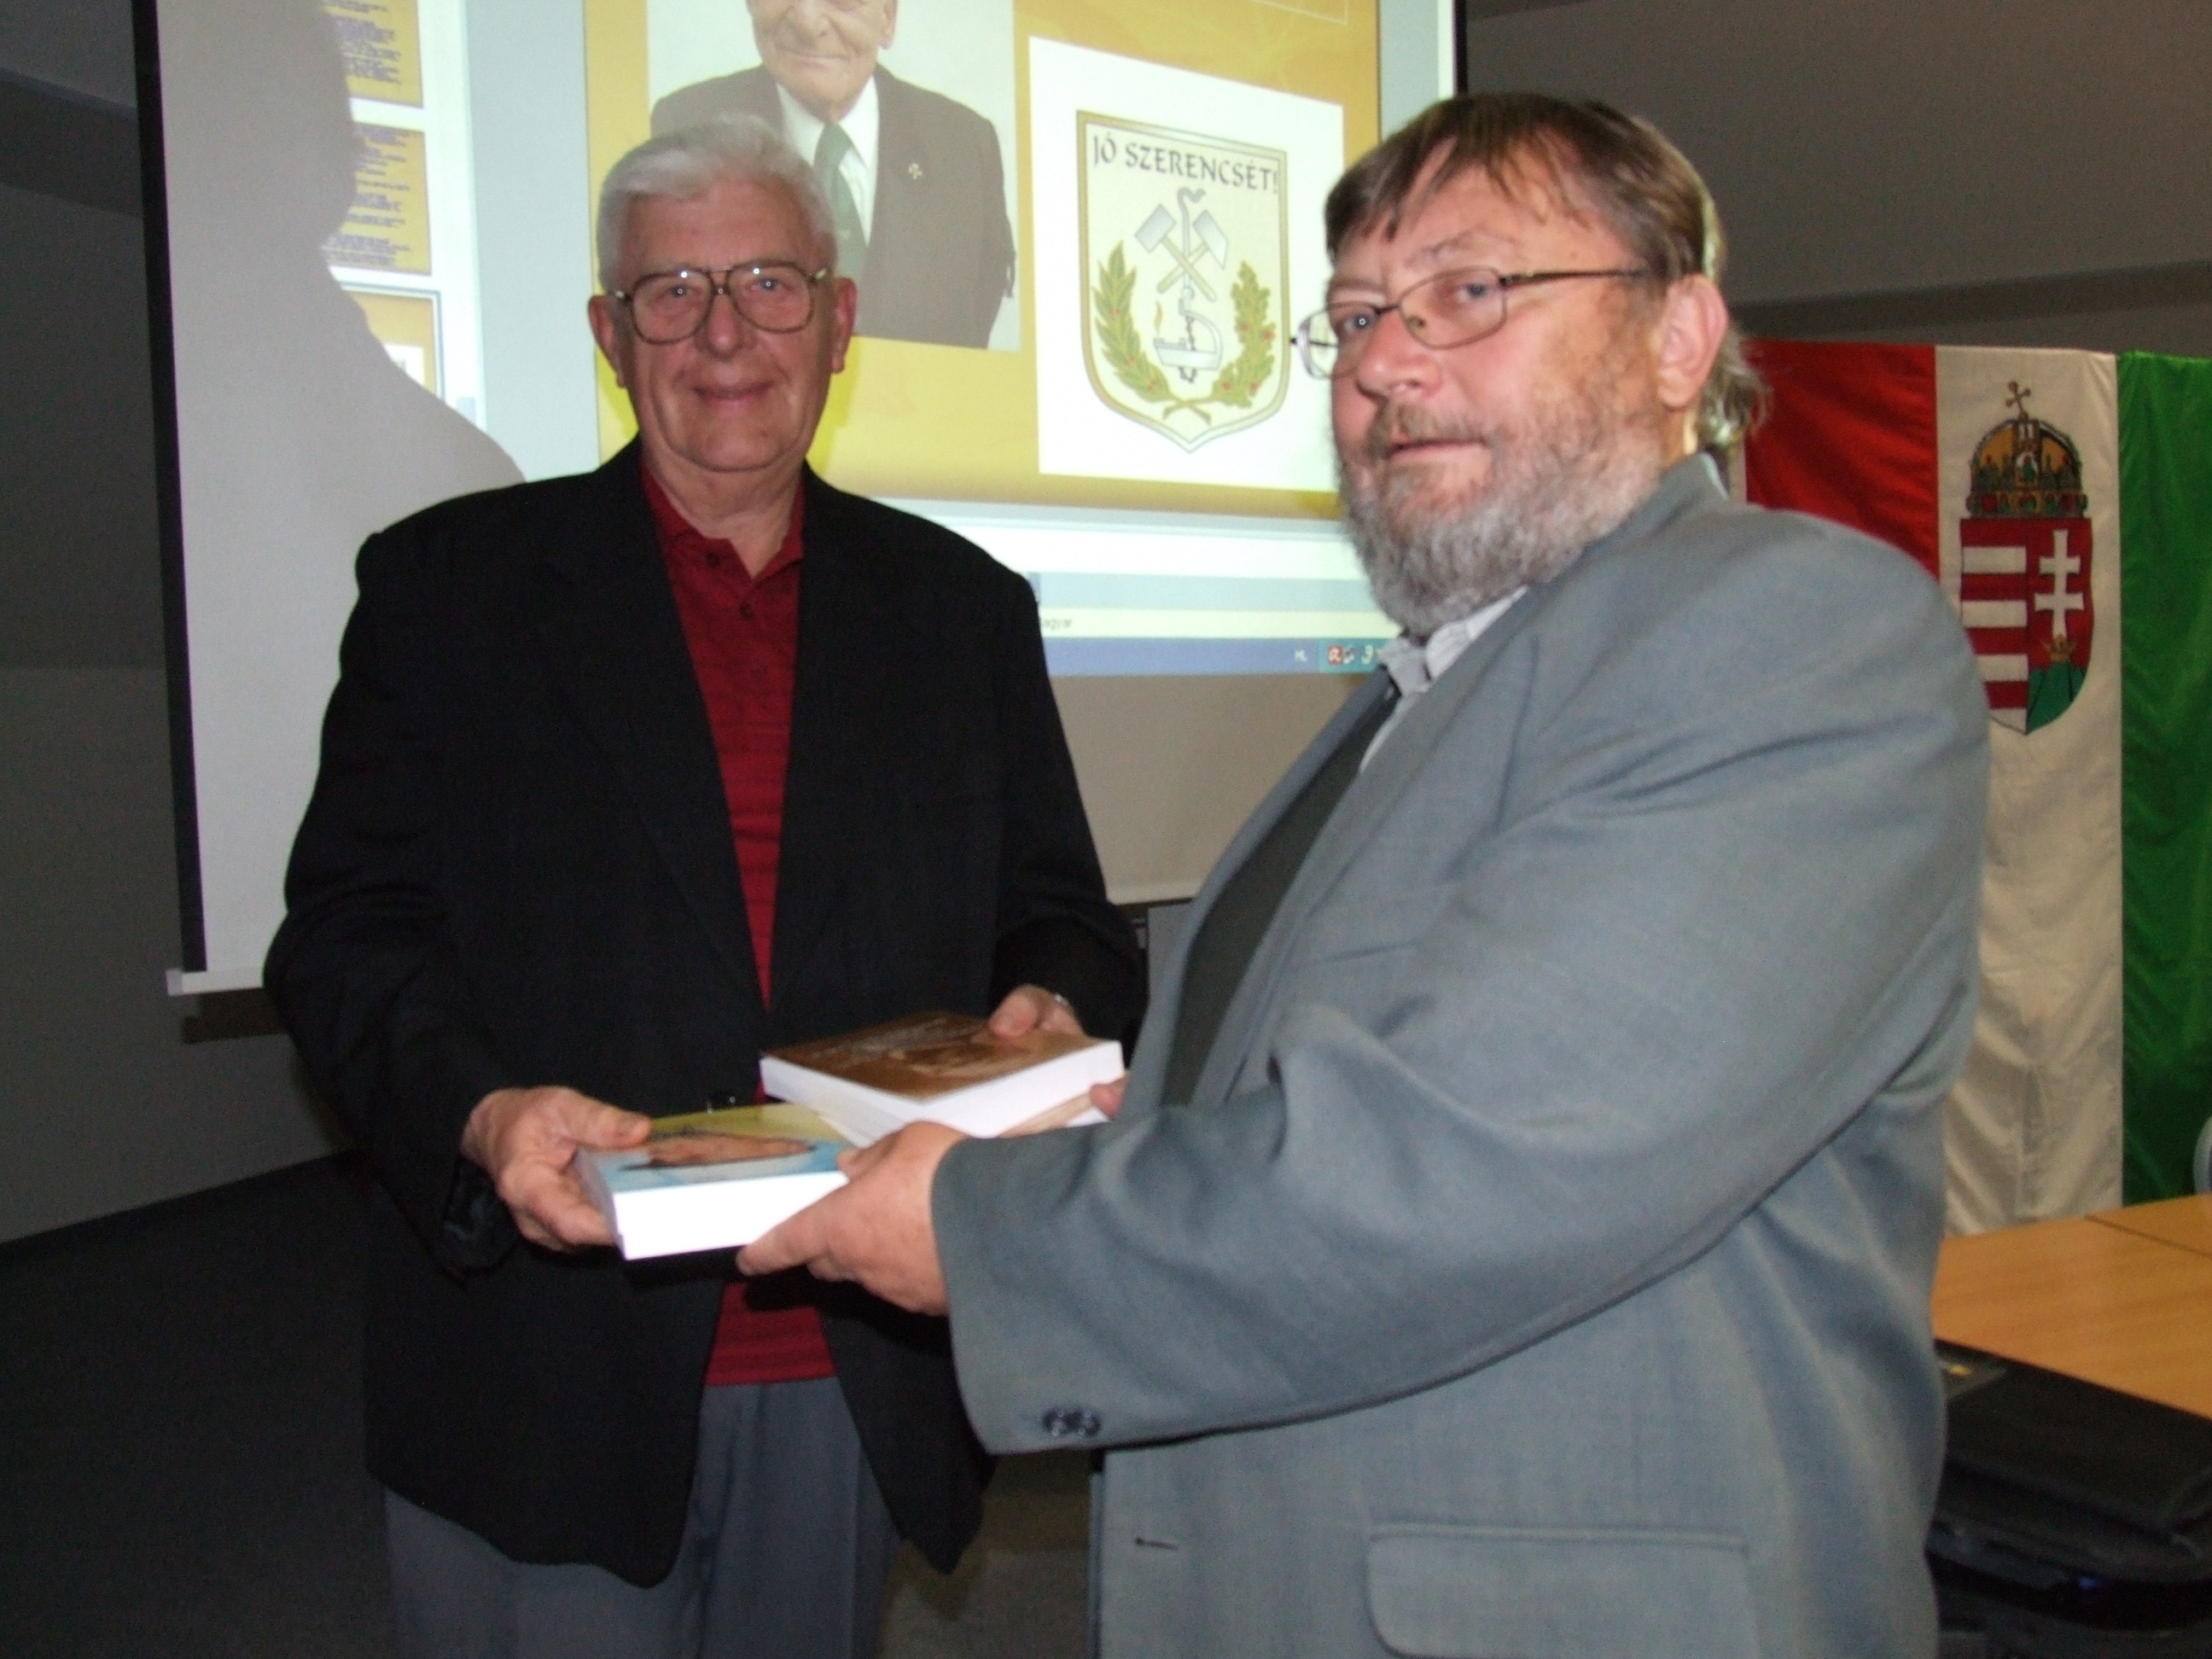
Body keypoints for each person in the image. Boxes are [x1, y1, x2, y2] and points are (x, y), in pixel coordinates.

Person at [745, 93, 1989, 1657]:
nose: (1385, 364)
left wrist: (988, 1226)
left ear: (1680, 338)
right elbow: (1393, 1073)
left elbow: (1487, 1156)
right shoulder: (1419, 691)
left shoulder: (1791, 632)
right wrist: (1119, 1125)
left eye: (1470, 291)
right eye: (1352, 319)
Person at [265, 115, 1140, 1659]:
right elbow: (345, 933)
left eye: (768, 284)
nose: (724, 333)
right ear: (610, 337)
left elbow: (1060, 907)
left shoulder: (962, 610)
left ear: (840, 319)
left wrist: (1050, 1002)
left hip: (846, 1344)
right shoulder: (446, 587)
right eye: (671, 291)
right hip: (548, 1358)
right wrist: (480, 1112)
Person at [654, 0, 1016, 350]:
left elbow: (973, 322)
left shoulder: (965, 148)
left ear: (887, 16)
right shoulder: (683, 128)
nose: (808, 23)